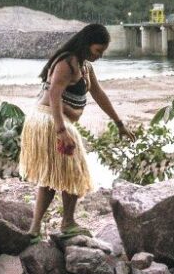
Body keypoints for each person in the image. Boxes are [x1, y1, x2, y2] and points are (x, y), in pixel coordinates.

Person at [19, 23, 135, 237]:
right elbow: (54, 94)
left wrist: (119, 123)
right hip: (50, 121)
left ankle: (36, 229)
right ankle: (67, 223)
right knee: (74, 171)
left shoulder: (84, 66)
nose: (100, 55)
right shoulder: (67, 62)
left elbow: (99, 95)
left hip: (53, 121)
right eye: (98, 50)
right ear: (87, 44)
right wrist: (61, 130)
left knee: (54, 174)